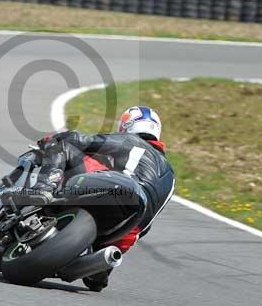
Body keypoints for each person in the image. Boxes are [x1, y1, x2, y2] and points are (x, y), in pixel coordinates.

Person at [28, 106, 175, 291]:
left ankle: (44, 189)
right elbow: (149, 222)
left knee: (62, 145)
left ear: (127, 126)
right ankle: (100, 269)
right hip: (129, 229)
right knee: (95, 283)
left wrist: (53, 140)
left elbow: (81, 140)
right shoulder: (171, 176)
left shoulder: (130, 141)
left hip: (115, 190)